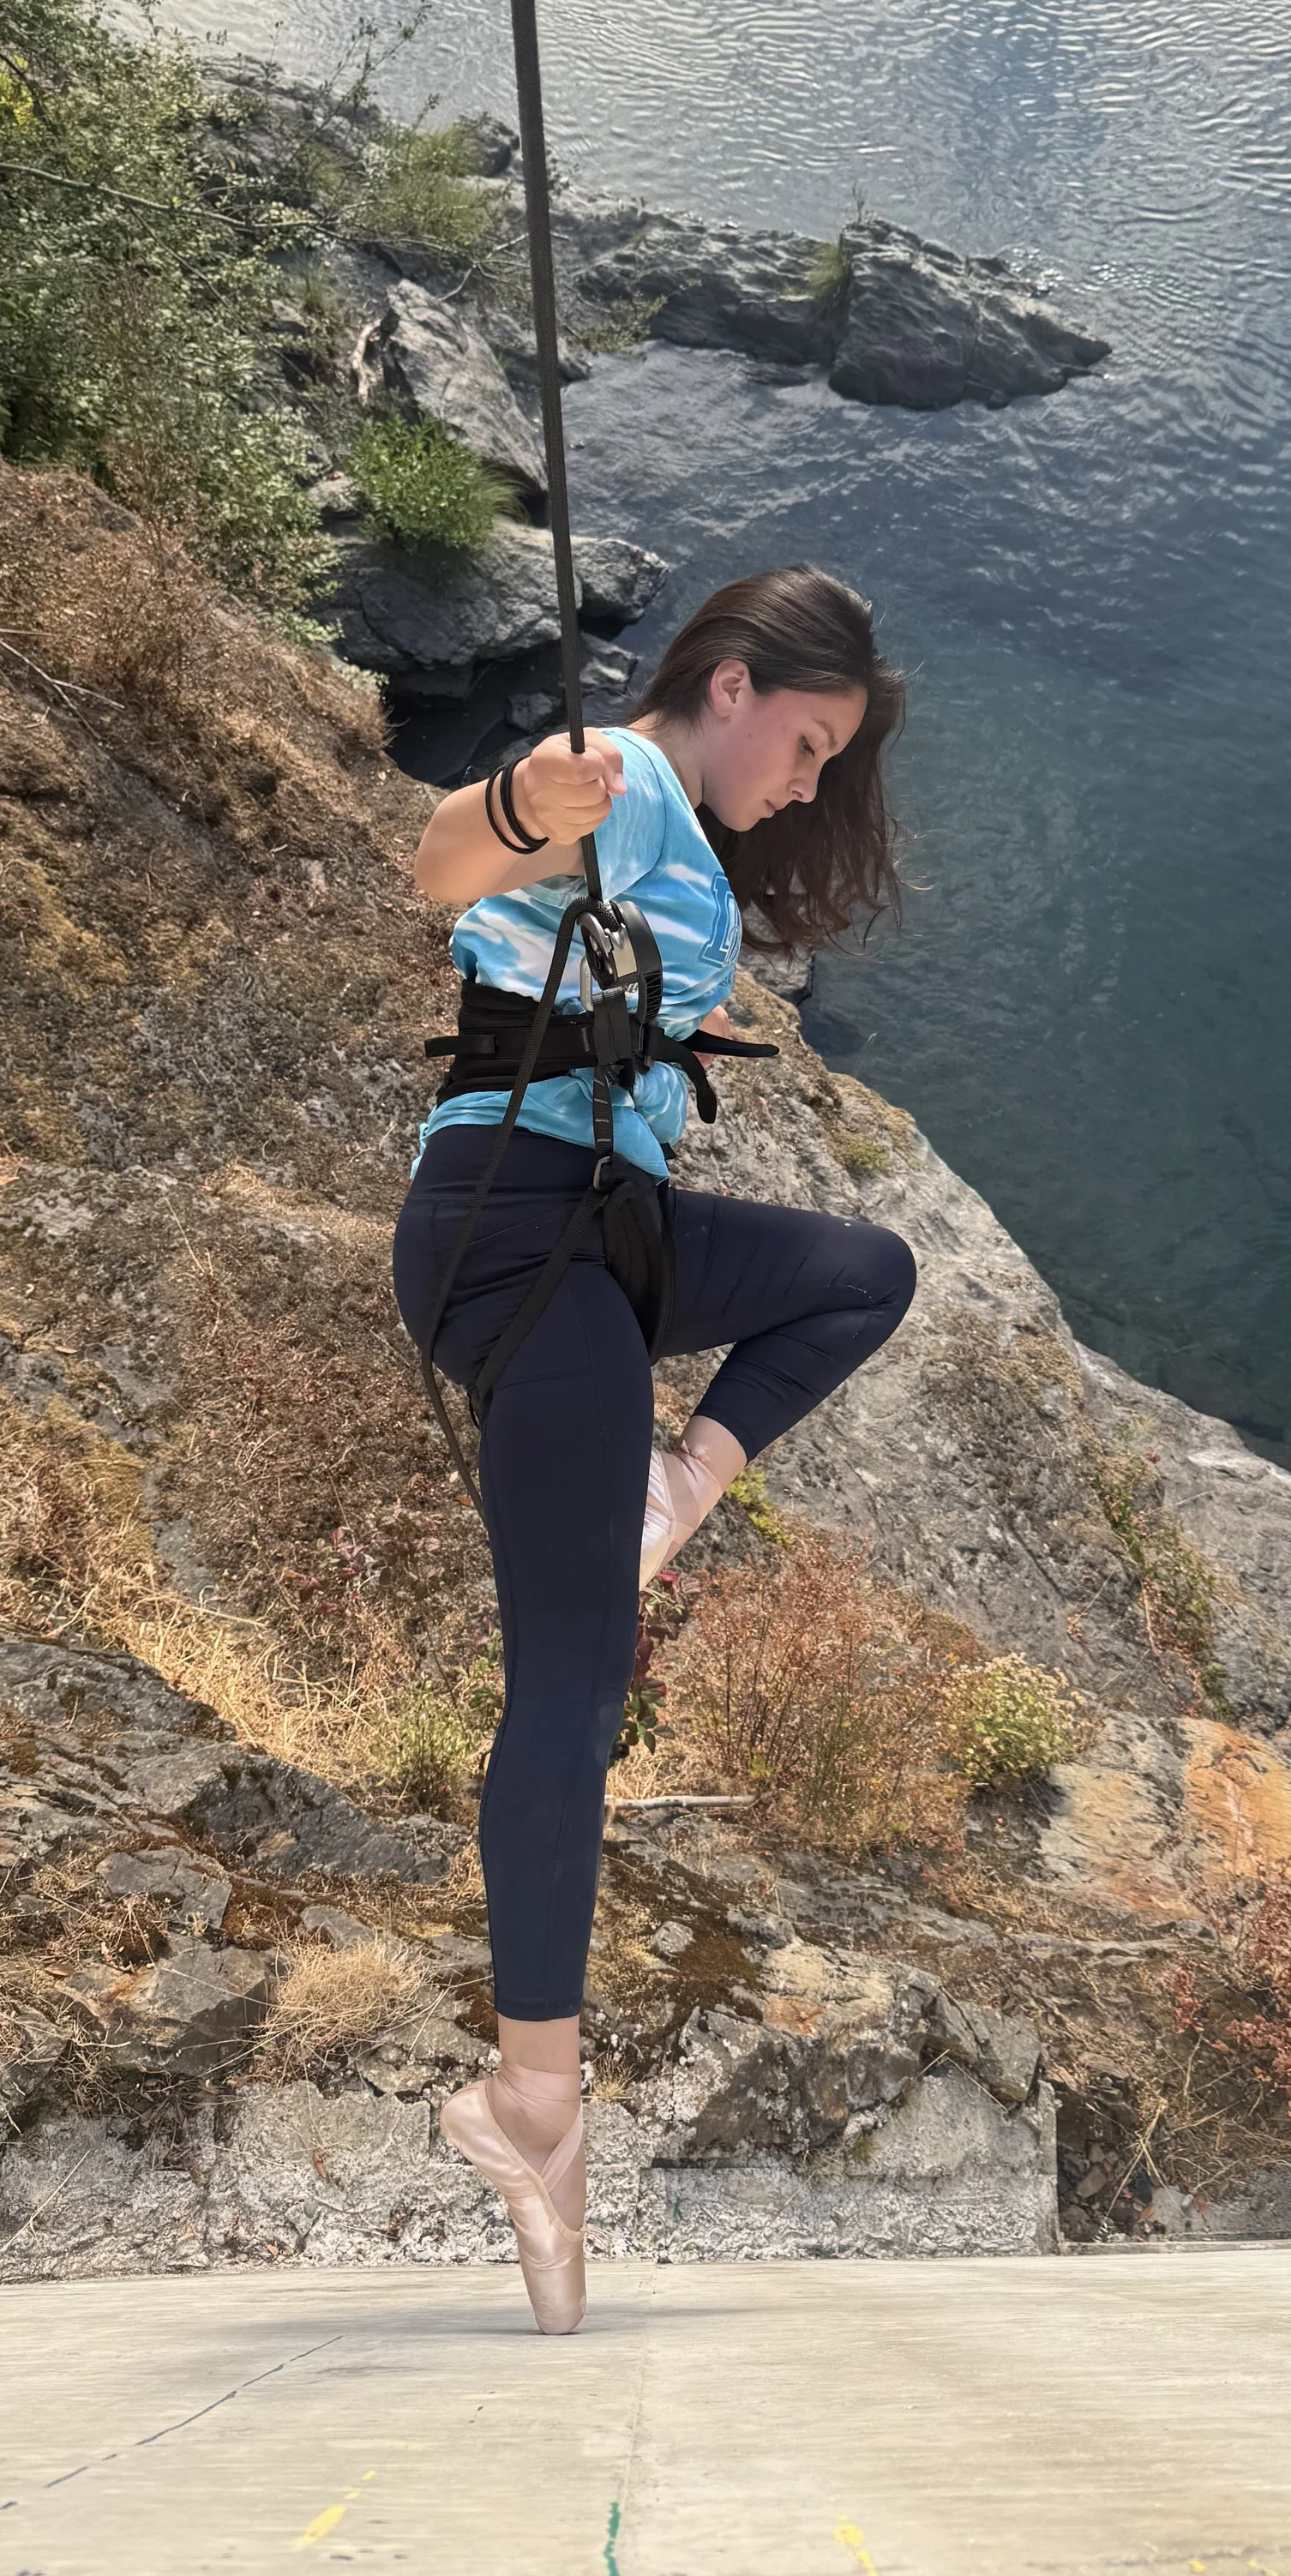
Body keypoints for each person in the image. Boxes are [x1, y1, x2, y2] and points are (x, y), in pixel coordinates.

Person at [391, 565, 918, 2333]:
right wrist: (519, 806)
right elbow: (442, 868)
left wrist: (686, 1473)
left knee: (860, 1271)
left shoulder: (682, 833)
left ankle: (666, 1495)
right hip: (513, 1230)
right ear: (736, 682)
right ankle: (530, 2100)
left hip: (608, 1233)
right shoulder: (607, 776)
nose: (811, 784)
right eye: (810, 744)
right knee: (569, 1691)